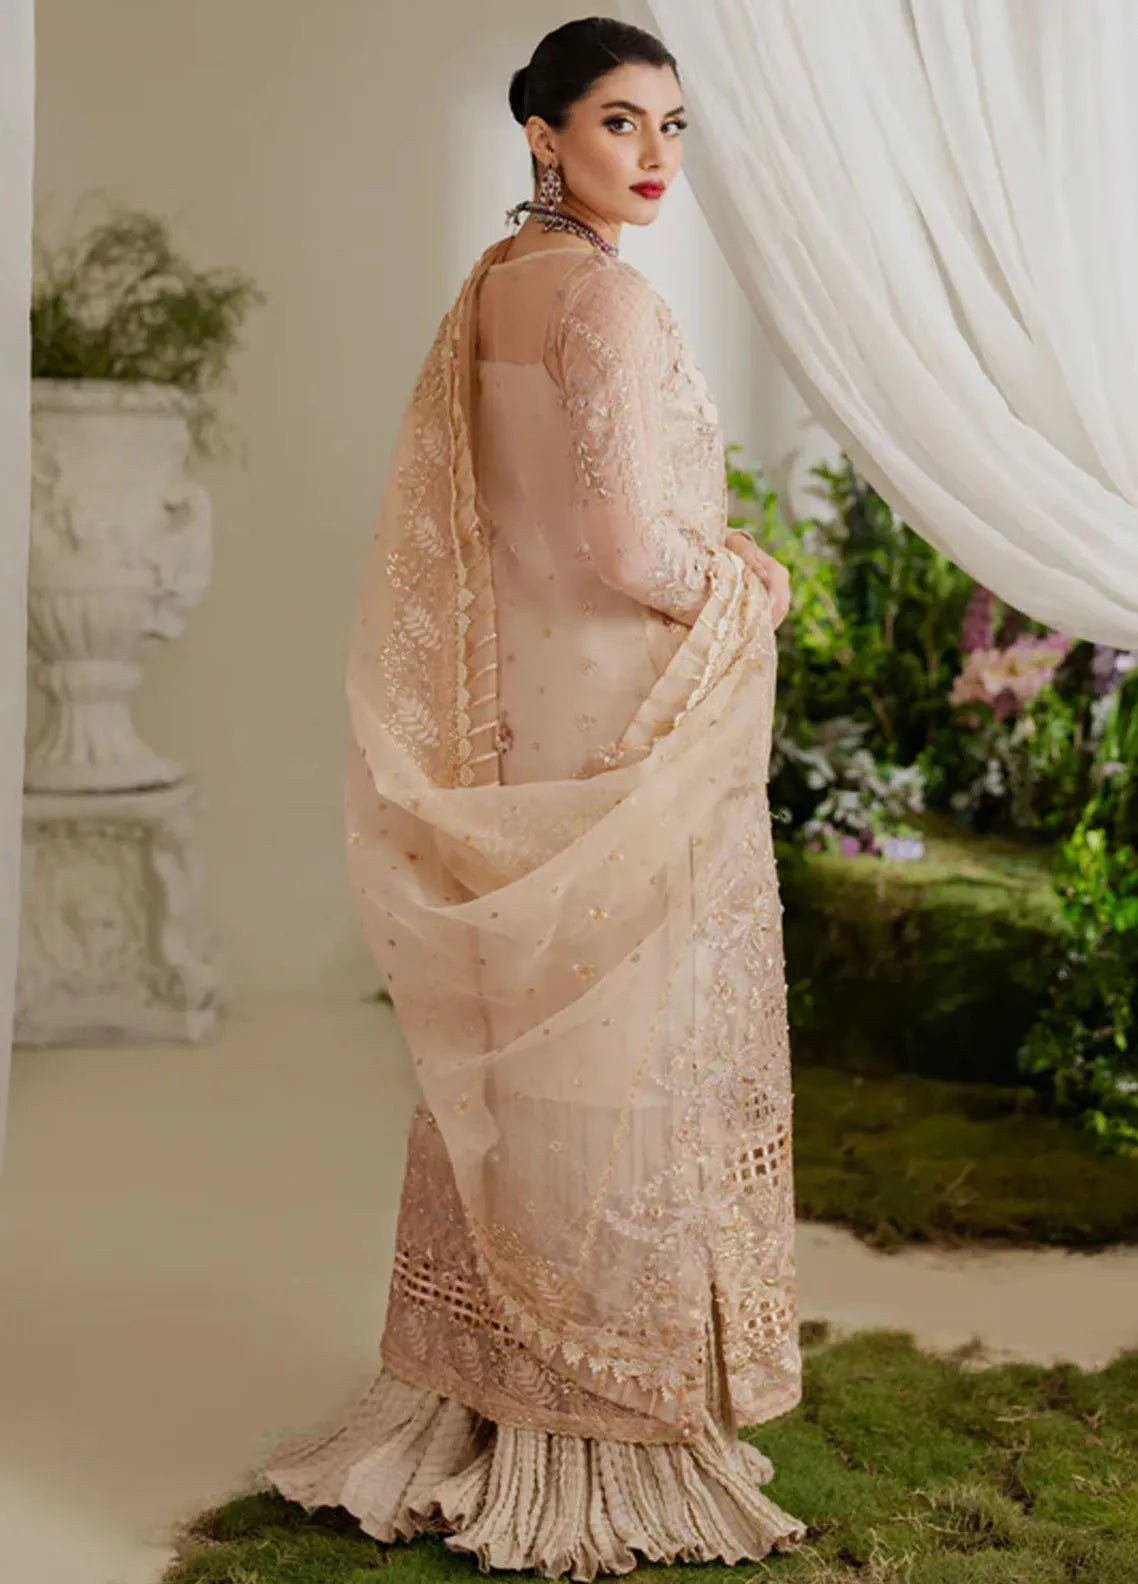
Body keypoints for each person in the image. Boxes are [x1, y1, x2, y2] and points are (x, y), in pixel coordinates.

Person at [262, 16, 806, 1579]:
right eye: (620, 122)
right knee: (618, 1049)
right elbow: (630, 551)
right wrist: (746, 581)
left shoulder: (494, 286)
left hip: (519, 722)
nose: (654, 156)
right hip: (621, 726)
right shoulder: (605, 302)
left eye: (672, 126)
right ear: (542, 134)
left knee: (531, 1052)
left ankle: (490, 1391)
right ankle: (598, 1415)